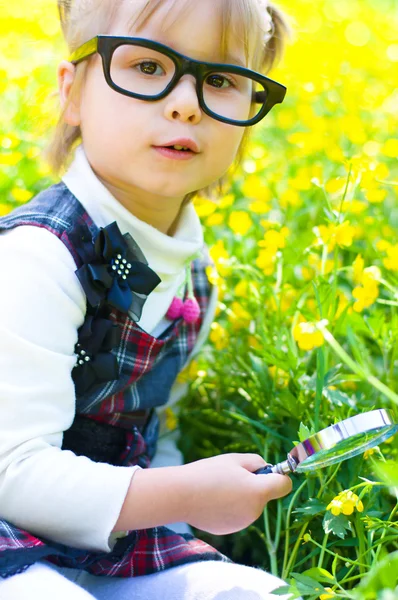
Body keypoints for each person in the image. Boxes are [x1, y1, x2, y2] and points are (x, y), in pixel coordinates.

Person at [0, 0, 296, 598]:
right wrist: (188, 491)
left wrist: (189, 516)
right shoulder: (39, 256)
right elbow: (10, 474)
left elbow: (153, 442)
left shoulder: (194, 277)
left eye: (220, 79)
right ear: (73, 92)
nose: (186, 102)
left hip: (108, 539)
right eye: (147, 67)